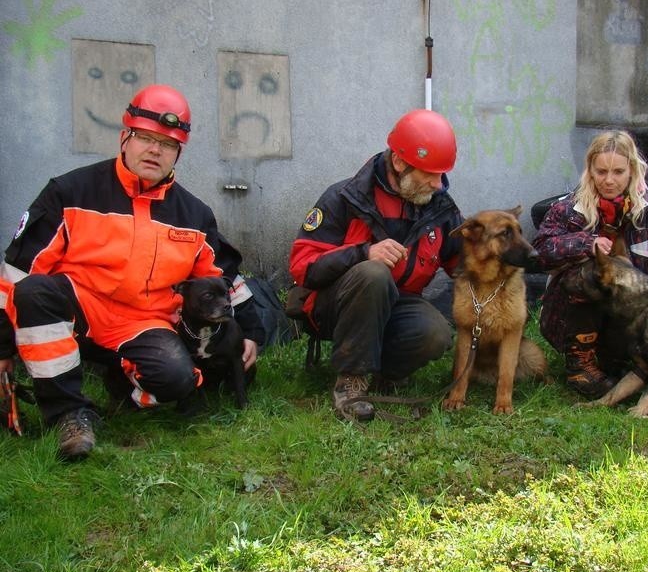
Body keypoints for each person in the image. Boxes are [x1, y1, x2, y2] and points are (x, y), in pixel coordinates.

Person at [0, 84, 265, 459]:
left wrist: (251, 334)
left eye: (168, 144)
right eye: (145, 138)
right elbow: (16, 270)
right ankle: (69, 414)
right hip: (81, 309)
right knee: (35, 291)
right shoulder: (70, 192)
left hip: (144, 323)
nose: (155, 150)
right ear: (125, 137)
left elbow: (224, 277)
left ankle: (122, 387)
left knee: (176, 380)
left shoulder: (194, 214)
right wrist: (2, 349)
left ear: (178, 154)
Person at [288, 109, 463, 422]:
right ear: (398, 162)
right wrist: (362, 253)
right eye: (430, 174)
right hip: (336, 307)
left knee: (436, 333)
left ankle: (383, 371)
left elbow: (461, 263)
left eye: (442, 174)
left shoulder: (440, 206)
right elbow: (303, 268)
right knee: (374, 274)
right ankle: (351, 381)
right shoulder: (344, 197)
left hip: (397, 304)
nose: (439, 185)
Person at [532, 130, 648, 399]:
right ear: (590, 170)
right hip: (569, 316)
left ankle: (622, 362)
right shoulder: (568, 209)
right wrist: (585, 243)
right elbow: (540, 253)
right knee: (596, 270)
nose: (609, 180)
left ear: (632, 171)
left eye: (618, 172)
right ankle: (580, 365)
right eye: (601, 171)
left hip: (632, 318)